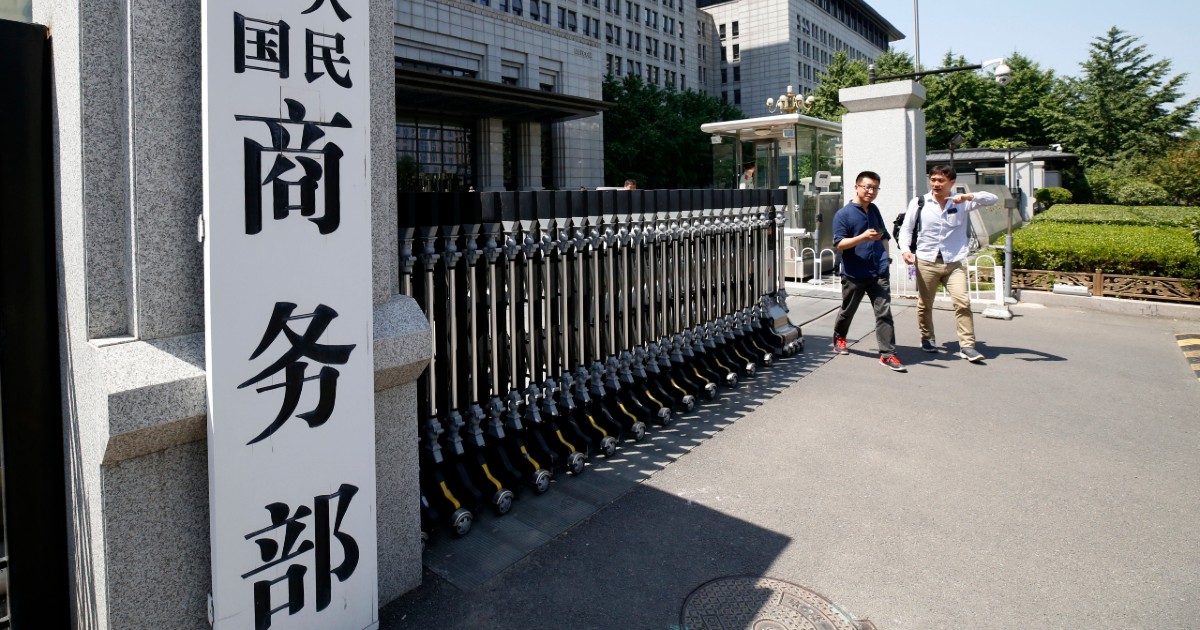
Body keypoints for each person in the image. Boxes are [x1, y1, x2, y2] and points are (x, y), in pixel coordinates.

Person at [898, 165, 999, 362]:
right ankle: (927, 337)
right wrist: (905, 250)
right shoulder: (919, 202)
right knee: (925, 304)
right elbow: (907, 229)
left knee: (962, 302)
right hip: (926, 261)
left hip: (953, 263)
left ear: (951, 183)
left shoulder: (961, 202)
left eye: (941, 180)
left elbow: (992, 199)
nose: (936, 184)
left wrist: (968, 197)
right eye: (933, 179)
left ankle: (967, 346)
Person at [831, 171, 905, 372]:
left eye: (875, 188)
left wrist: (885, 258)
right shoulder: (843, 214)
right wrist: (862, 237)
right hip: (854, 273)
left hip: (878, 272)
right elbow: (839, 244)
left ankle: (887, 354)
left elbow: (883, 235)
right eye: (867, 187)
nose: (871, 191)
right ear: (857, 187)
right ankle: (840, 337)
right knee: (848, 310)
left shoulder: (874, 210)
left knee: (884, 313)